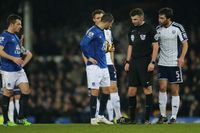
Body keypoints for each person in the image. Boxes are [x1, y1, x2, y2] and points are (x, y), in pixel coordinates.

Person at [85, 9, 127, 124]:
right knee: (96, 91)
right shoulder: (92, 32)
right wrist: (87, 62)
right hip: (96, 64)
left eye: (101, 17)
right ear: (94, 20)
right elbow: (84, 47)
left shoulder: (108, 31)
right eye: (97, 18)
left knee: (111, 89)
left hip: (108, 63)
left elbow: (110, 48)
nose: (100, 19)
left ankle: (117, 116)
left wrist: (112, 62)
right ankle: (98, 116)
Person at [124, 8, 159, 124]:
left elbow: (155, 46)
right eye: (132, 19)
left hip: (145, 61)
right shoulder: (131, 29)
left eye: (135, 19)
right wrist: (127, 61)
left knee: (147, 89)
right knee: (131, 90)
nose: (133, 21)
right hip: (134, 62)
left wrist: (152, 62)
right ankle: (132, 119)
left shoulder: (150, 28)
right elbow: (130, 46)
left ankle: (147, 119)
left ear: (142, 18)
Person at [80, 13, 114, 125]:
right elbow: (83, 43)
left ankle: (101, 116)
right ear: (108, 22)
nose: (111, 26)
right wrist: (89, 57)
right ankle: (92, 118)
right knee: (95, 91)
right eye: (111, 24)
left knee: (106, 91)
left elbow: (105, 48)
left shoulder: (103, 32)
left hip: (104, 66)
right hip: (94, 67)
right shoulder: (93, 31)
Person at [156, 7, 188, 124]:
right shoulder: (158, 29)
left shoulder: (178, 27)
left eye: (162, 18)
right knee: (162, 87)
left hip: (174, 63)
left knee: (174, 90)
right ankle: (163, 115)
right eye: (159, 17)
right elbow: (156, 46)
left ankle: (173, 117)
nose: (159, 20)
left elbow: (185, 44)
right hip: (162, 63)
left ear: (168, 18)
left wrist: (182, 57)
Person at [0, 14, 32, 126]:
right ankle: (6, 121)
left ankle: (20, 118)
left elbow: (20, 52)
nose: (20, 26)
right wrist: (13, 58)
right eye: (18, 24)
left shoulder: (15, 36)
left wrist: (22, 60)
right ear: (11, 24)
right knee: (8, 93)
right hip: (8, 70)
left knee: (26, 91)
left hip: (18, 70)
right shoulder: (5, 35)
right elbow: (0, 51)